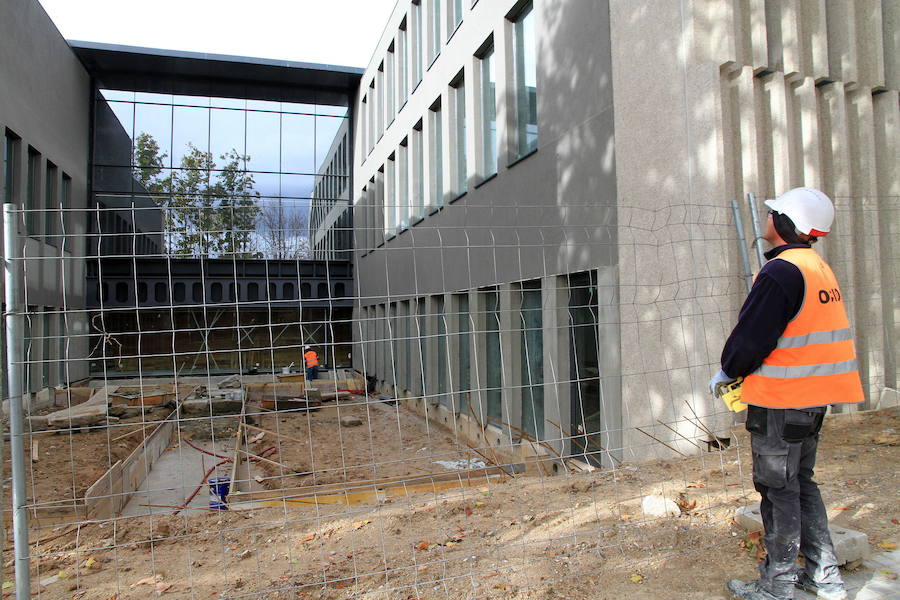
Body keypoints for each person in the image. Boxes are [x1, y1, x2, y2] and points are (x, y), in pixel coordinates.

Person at [709, 188, 864, 600]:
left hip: (782, 401)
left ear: (784, 224)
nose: (767, 218)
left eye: (773, 213)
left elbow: (753, 337)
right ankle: (824, 577)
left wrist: (728, 369)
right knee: (801, 484)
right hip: (813, 399)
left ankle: (778, 586)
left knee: (777, 491)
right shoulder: (816, 267)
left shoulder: (781, 272)